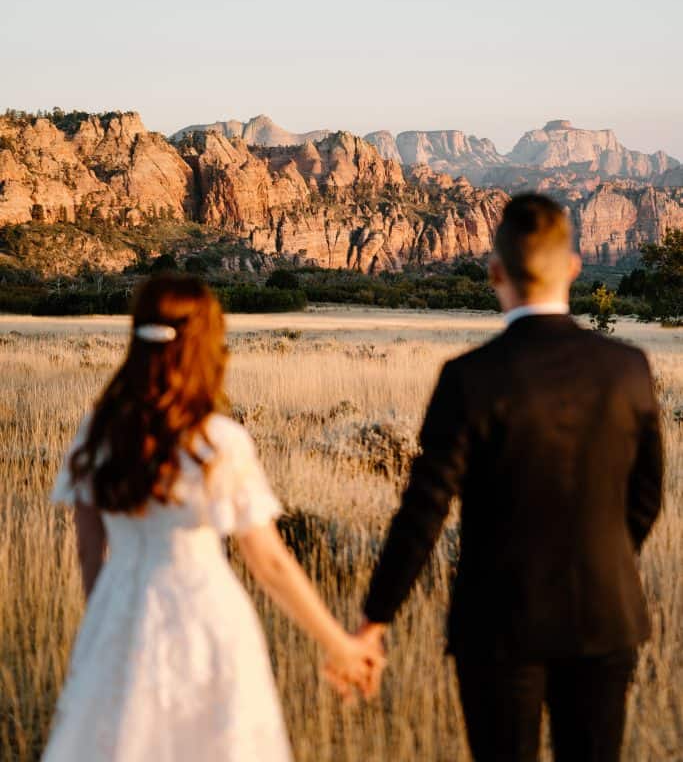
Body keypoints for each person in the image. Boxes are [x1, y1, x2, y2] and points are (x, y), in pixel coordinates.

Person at [357, 193, 663, 762]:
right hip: (605, 615)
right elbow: (647, 497)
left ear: (495, 271)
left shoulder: (468, 378)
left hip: (498, 625)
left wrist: (375, 618)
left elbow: (423, 511)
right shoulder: (628, 369)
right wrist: (607, 556)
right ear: (573, 266)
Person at [43, 275, 383, 762]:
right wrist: (340, 645)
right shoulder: (218, 441)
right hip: (205, 617)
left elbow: (87, 549)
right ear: (205, 344)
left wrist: (105, 622)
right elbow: (269, 562)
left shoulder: (96, 432)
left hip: (120, 610)